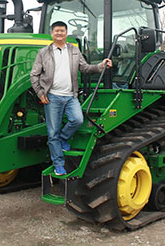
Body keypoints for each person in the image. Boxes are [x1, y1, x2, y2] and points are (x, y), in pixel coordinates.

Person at [30, 21, 112, 176]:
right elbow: (34, 74)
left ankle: (64, 138)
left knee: (77, 119)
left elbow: (85, 68)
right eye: (56, 31)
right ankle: (58, 164)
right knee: (52, 132)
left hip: (70, 96)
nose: (59, 33)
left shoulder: (74, 51)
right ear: (52, 34)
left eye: (62, 31)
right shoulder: (43, 53)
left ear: (66, 33)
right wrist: (41, 93)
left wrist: (101, 65)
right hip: (52, 97)